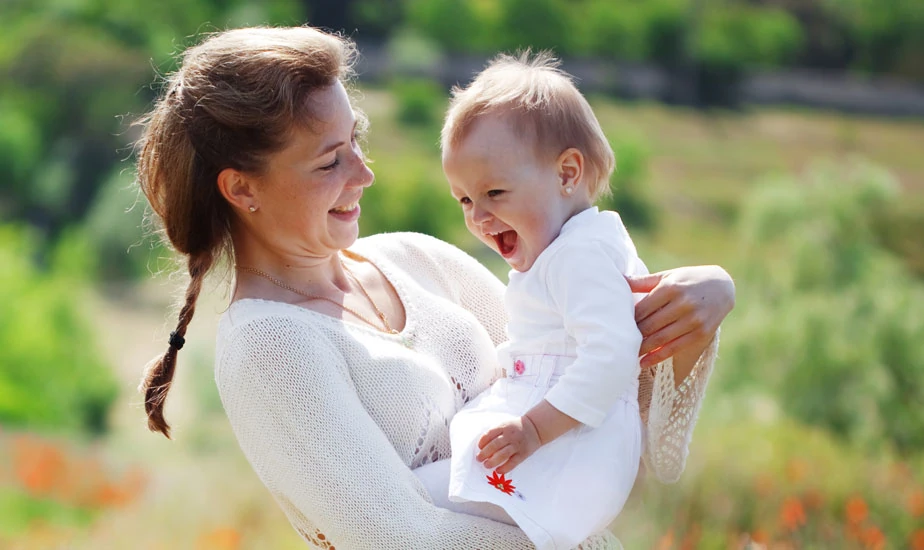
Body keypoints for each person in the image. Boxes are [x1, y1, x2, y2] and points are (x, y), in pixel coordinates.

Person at [135, 26, 734, 550]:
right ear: (242, 189)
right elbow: (402, 540)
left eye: (356, 142)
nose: (365, 173)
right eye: (329, 161)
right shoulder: (269, 348)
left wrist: (701, 303)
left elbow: (604, 402)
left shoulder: (418, 259)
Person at [408, 51, 693, 550]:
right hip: (564, 448)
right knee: (425, 500)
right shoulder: (570, 249)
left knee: (408, 499)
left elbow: (612, 354)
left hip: (567, 451)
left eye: (495, 192)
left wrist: (533, 430)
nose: (478, 216)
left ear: (566, 174)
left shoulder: (579, 256)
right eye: (465, 200)